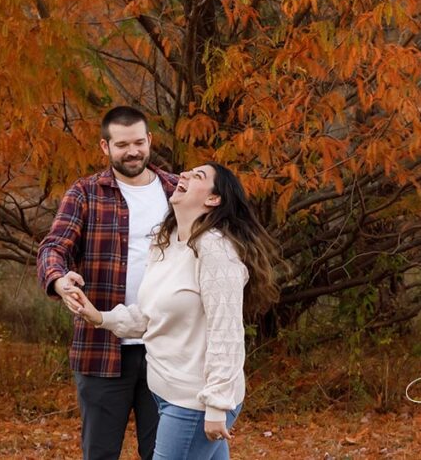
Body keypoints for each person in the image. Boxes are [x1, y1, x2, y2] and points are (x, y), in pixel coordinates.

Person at [69, 163, 279, 460]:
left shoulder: (215, 250)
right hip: (165, 394)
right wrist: (100, 317)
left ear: (213, 199)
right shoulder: (165, 243)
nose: (185, 176)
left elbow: (227, 333)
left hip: (195, 401)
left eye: (198, 177)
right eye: (187, 173)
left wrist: (217, 404)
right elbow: (150, 315)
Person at [37, 106, 178, 460]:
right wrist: (59, 281)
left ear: (150, 141)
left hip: (167, 348)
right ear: (105, 147)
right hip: (102, 348)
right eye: (122, 144)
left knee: (164, 453)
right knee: (99, 453)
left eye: (138, 142)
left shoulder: (176, 191)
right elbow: (53, 247)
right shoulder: (85, 193)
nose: (132, 151)